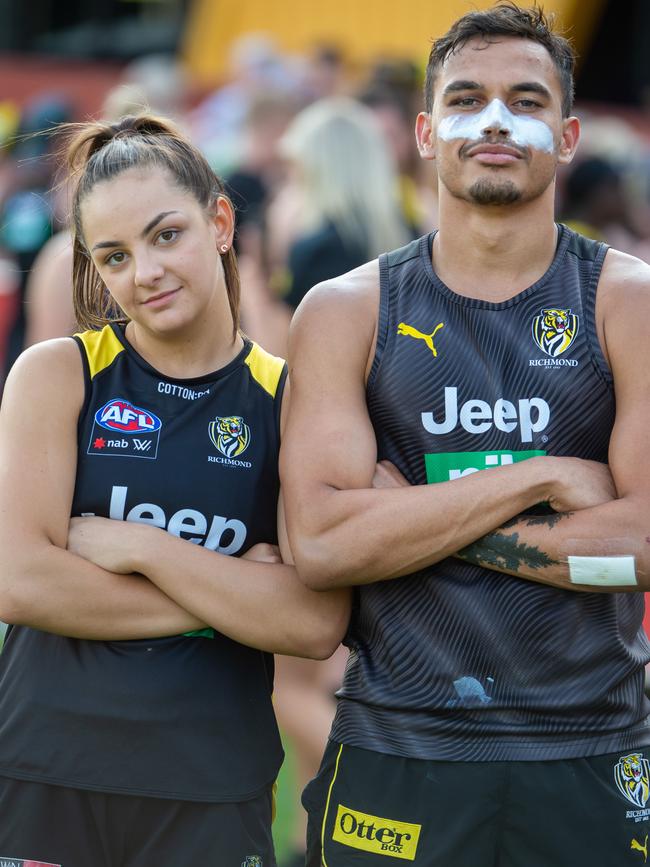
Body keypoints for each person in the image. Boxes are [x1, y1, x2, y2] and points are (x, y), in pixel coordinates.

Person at [280, 4, 650, 865]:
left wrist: (408, 519)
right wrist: (541, 476)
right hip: (401, 749)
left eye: (525, 100)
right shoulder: (347, 310)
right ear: (423, 131)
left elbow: (641, 544)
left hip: (591, 748)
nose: (494, 120)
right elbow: (325, 548)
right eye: (467, 97)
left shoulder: (628, 303)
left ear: (566, 135)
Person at [0, 113, 350, 866]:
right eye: (115, 256)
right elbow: (20, 579)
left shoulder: (289, 400)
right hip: (44, 773)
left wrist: (137, 545)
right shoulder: (57, 376)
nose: (145, 273)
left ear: (219, 221)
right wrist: (236, 599)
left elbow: (313, 621)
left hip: (212, 784)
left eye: (166, 236)